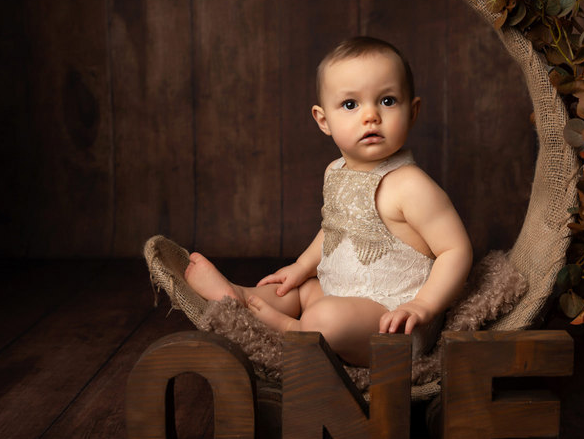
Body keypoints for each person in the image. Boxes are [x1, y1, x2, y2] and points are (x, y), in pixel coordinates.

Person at [184, 37, 472, 367]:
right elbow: (335, 228)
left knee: (325, 317)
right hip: (339, 294)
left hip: (392, 322)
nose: (371, 116)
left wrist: (423, 306)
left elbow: (456, 250)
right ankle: (238, 296)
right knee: (296, 290)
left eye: (387, 101)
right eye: (350, 104)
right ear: (323, 121)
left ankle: (292, 330)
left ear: (413, 111)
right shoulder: (335, 171)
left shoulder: (412, 185)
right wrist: (302, 267)